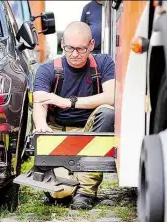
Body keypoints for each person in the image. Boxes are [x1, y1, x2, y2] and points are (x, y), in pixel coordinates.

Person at [32, 21, 115, 210]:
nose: (75, 54)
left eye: (81, 49)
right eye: (70, 48)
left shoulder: (104, 63)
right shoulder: (48, 69)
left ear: (91, 45)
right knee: (61, 193)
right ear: (63, 44)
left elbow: (111, 97)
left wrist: (69, 102)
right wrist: (41, 125)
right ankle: (68, 186)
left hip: (89, 130)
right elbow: (39, 102)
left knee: (108, 113)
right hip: (58, 132)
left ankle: (86, 192)